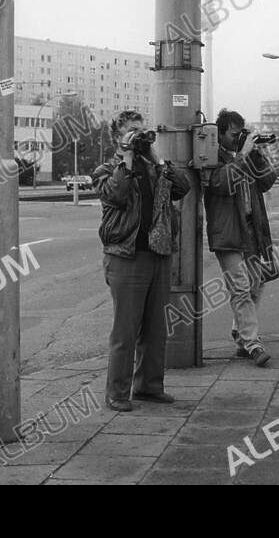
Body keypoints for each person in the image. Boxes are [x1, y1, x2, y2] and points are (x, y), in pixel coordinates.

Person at [93, 109, 191, 412]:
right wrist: (127, 156)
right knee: (126, 329)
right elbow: (117, 194)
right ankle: (117, 393)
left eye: (142, 130)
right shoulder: (107, 169)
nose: (139, 135)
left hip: (157, 253)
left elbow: (182, 187)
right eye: (133, 131)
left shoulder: (154, 167)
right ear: (116, 138)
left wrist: (156, 155)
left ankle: (149, 387)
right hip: (125, 256)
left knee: (155, 328)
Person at [204, 108, 279, 367]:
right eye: (234, 134)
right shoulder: (212, 156)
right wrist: (244, 154)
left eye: (240, 134)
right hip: (227, 232)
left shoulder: (244, 156)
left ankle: (239, 332)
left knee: (256, 282)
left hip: (250, 229)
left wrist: (258, 155)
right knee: (240, 286)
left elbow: (268, 181)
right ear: (221, 133)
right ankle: (252, 342)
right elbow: (220, 185)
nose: (238, 139)